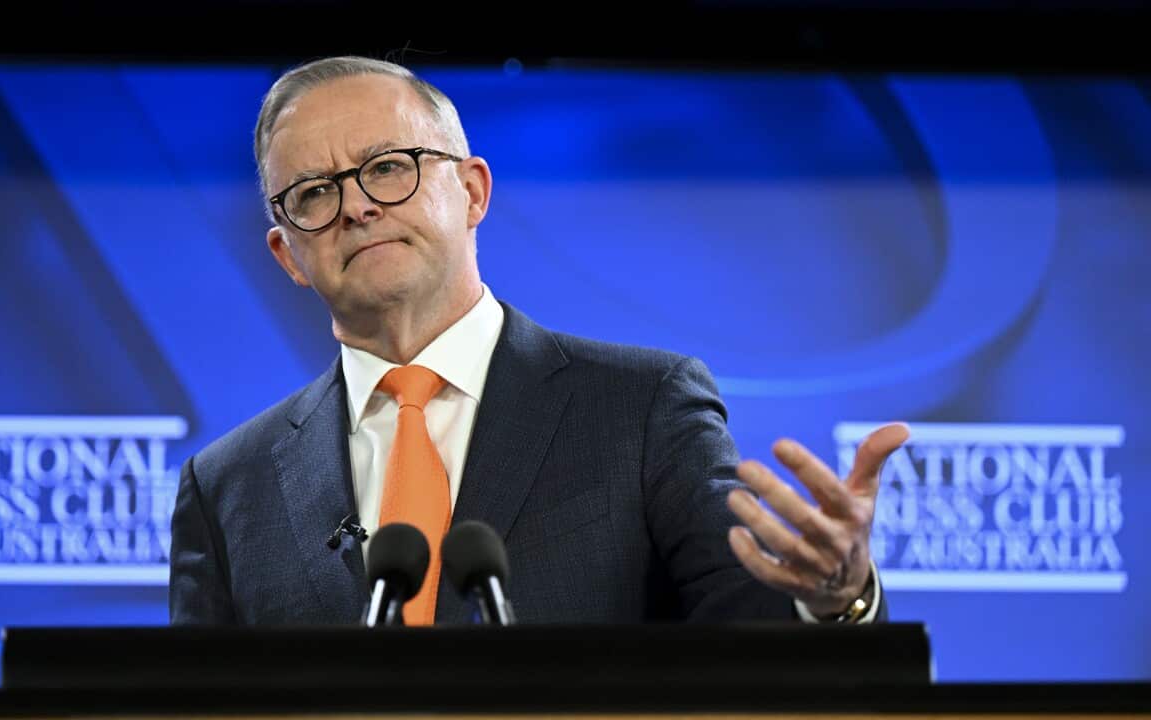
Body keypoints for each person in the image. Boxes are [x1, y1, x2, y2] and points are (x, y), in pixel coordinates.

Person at [168, 55, 909, 626]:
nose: (357, 205)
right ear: (286, 253)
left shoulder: (644, 408)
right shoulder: (227, 486)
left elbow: (749, 644)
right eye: (314, 193)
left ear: (474, 191)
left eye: (389, 167)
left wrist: (837, 599)